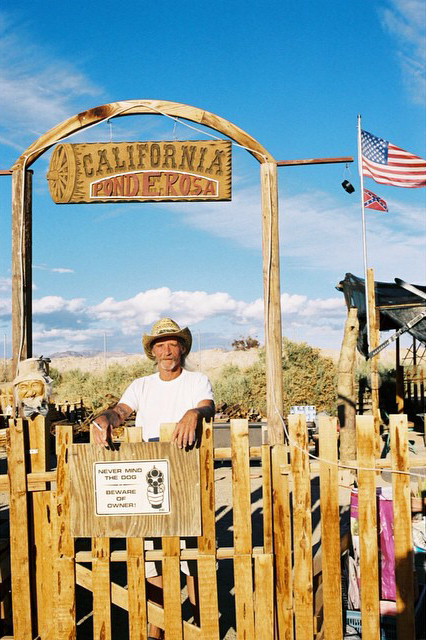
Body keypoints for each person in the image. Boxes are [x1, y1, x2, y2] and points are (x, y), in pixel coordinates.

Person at [92, 317, 215, 639]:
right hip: (148, 479)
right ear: (153, 351)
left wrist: (193, 414)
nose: (167, 350)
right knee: (151, 556)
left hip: (187, 475)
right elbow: (121, 410)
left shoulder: (196, 380)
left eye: (173, 343)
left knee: (194, 553)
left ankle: (200, 626)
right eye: (160, 345)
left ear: (183, 348)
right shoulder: (141, 385)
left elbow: (207, 406)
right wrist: (105, 418)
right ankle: (155, 630)